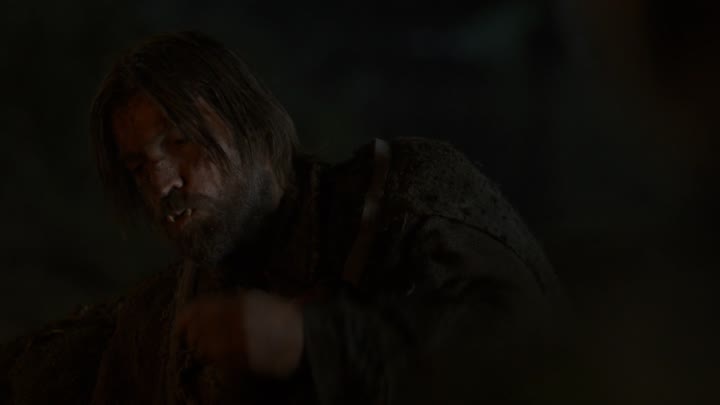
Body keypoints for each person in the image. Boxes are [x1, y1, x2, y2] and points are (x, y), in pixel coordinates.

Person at [1, 31, 564, 405]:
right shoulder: (158, 328)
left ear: (247, 121)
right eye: (138, 166)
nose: (162, 182)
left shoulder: (405, 198)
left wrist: (311, 343)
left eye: (179, 140)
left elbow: (529, 356)